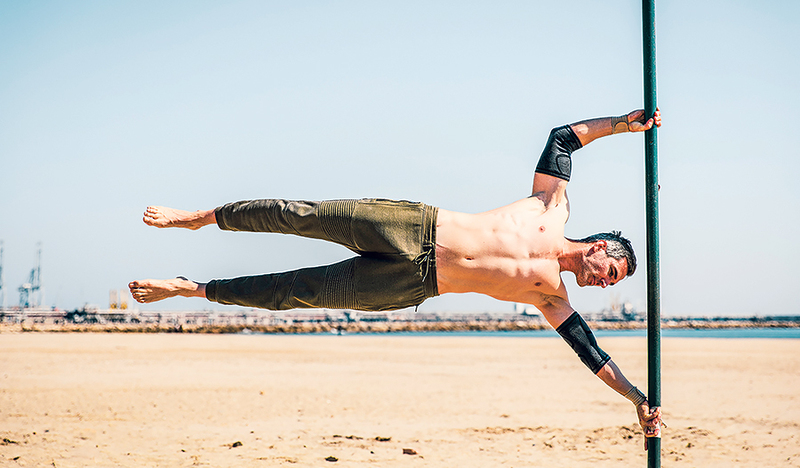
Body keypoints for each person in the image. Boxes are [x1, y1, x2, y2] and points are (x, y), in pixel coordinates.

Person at [130, 108, 663, 443]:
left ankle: (194, 288)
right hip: (413, 226)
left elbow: (592, 355)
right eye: (610, 271)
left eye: (610, 284)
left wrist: (638, 400)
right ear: (600, 247)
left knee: (298, 292)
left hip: (411, 285)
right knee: (303, 214)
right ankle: (201, 217)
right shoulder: (553, 206)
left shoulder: (550, 297)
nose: (603, 282)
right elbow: (563, 137)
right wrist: (624, 124)